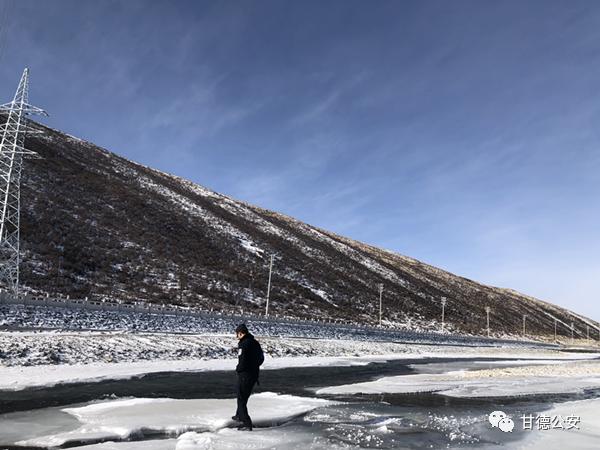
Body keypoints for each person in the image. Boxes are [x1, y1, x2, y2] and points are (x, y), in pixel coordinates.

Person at [232, 323, 264, 431]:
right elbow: (261, 358)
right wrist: (254, 366)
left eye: (237, 334)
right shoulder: (255, 343)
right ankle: (239, 415)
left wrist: (239, 369)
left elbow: (242, 359)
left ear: (241, 333)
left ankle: (246, 423)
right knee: (244, 397)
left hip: (245, 375)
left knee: (241, 398)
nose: (236, 337)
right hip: (254, 375)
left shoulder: (243, 344)